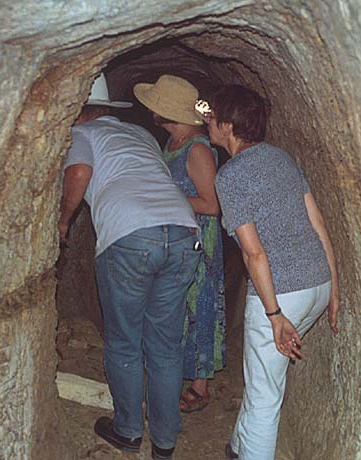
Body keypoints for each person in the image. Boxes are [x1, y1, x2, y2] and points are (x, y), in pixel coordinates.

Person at [59, 72, 202, 460]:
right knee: (165, 345)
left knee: (124, 339)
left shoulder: (82, 133)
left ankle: (127, 430)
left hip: (130, 235)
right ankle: (165, 442)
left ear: (82, 111)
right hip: (183, 231)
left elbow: (79, 172)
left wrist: (64, 219)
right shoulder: (141, 135)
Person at [203, 85, 341, 460]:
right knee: (263, 377)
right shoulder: (282, 159)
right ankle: (239, 448)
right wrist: (333, 290)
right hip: (316, 283)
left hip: (282, 294)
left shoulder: (231, 175)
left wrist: (274, 314)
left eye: (212, 115)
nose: (207, 120)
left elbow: (254, 254)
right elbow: (318, 225)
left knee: (265, 394)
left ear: (228, 126)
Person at [134, 74, 226, 413]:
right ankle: (171, 373)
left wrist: (168, 198)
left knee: (198, 304)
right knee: (173, 307)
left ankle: (200, 385)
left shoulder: (197, 149)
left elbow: (213, 205)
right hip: (176, 238)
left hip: (199, 241)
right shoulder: (174, 143)